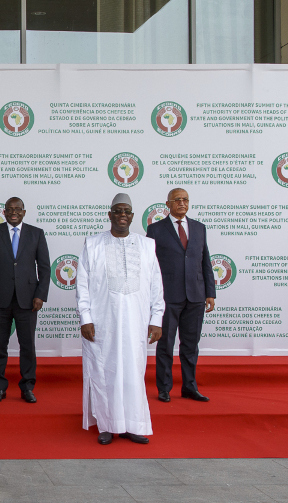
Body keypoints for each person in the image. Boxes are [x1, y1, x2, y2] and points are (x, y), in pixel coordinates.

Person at [77, 194, 165, 445]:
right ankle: (107, 425)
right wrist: (86, 318)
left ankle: (131, 424)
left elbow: (156, 285)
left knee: (133, 372)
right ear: (110, 215)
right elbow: (82, 285)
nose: (122, 215)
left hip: (136, 323)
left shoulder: (147, 245)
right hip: (102, 321)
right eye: (117, 210)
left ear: (133, 216)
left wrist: (156, 318)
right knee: (104, 371)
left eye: (126, 211)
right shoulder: (93, 244)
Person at [0, 197, 50, 403]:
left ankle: (27, 387)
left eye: (17, 209)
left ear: (24, 212)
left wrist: (40, 295)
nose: (13, 212)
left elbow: (45, 268)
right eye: (9, 209)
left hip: (28, 301)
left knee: (27, 346)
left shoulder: (36, 234)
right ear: (4, 212)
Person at [147, 187, 215, 403]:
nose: (182, 203)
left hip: (195, 296)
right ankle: (164, 388)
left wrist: (210, 293)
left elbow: (205, 262)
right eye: (177, 200)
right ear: (167, 204)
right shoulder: (155, 230)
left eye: (185, 199)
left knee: (190, 345)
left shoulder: (199, 228)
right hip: (168, 297)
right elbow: (150, 267)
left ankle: (189, 387)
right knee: (165, 344)